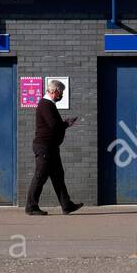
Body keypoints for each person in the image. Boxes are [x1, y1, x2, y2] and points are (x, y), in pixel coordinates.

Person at [25, 80, 82, 215]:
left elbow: (54, 125)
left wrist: (65, 124)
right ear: (55, 91)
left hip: (51, 147)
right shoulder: (45, 104)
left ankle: (66, 205)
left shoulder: (49, 104)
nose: (61, 94)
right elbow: (54, 125)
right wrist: (66, 123)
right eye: (61, 92)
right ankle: (31, 206)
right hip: (44, 147)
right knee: (40, 176)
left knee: (58, 176)